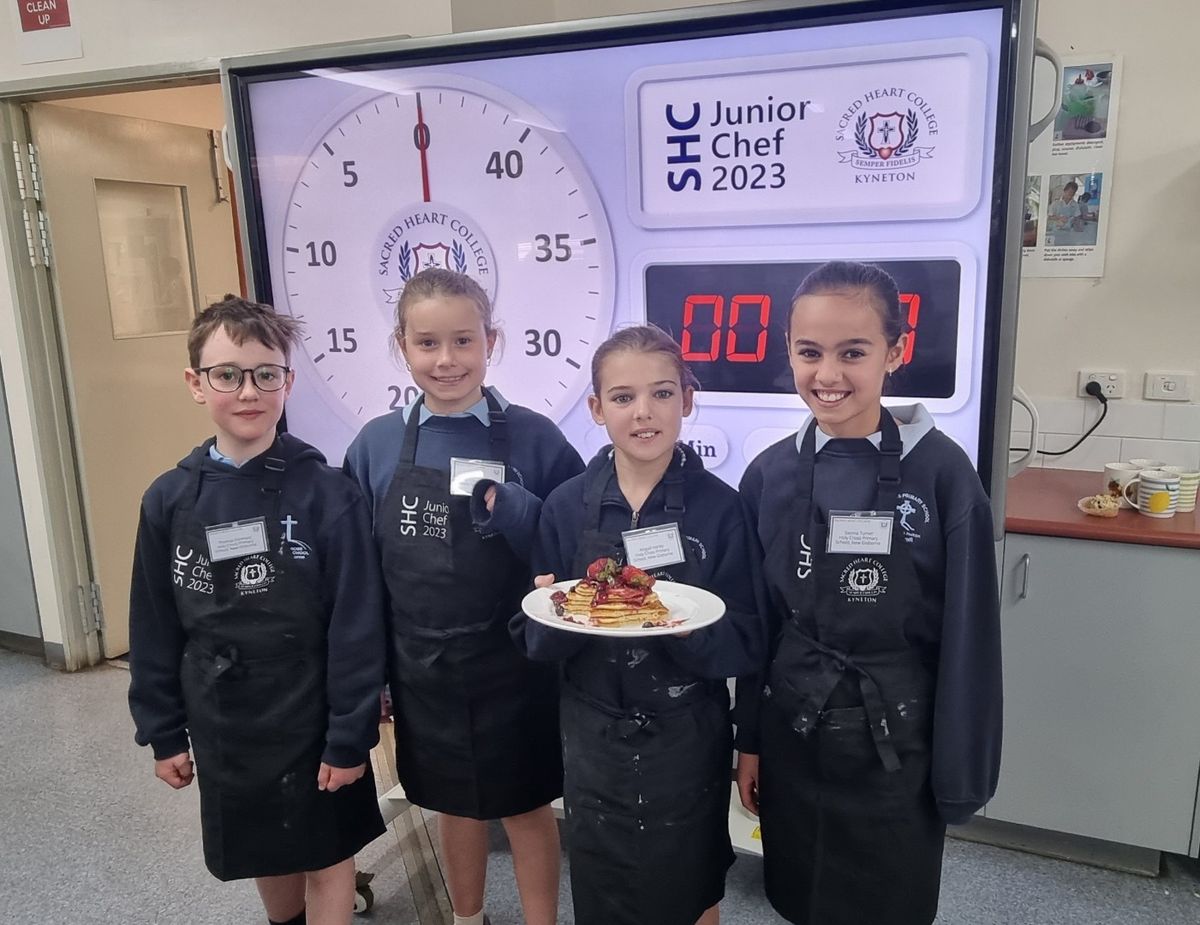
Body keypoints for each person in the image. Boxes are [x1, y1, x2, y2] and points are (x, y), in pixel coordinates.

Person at [735, 261, 1002, 925]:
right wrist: (750, 742)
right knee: (802, 898)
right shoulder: (767, 475)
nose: (828, 374)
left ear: (896, 351)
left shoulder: (944, 475)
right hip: (795, 732)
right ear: (787, 350)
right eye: (809, 352)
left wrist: (961, 771)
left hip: (898, 745)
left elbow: (970, 639)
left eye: (852, 352)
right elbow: (760, 626)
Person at [128, 295, 387, 925]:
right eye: (227, 375)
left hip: (312, 709)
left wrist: (350, 735)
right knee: (264, 847)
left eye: (265, 374)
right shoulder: (169, 499)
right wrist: (163, 730)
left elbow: (357, 626)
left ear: (287, 382)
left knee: (326, 855)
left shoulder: (329, 494)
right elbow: (154, 625)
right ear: (196, 383)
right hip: (224, 716)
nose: (249, 391)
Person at [344, 268, 582, 925]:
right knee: (453, 804)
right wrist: (372, 677)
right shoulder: (375, 445)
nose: (446, 359)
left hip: (517, 667)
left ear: (491, 341)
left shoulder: (537, 438)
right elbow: (360, 575)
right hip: (424, 670)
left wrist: (524, 515)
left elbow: (574, 544)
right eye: (427, 343)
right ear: (401, 345)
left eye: (463, 341)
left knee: (527, 806)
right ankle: (466, 918)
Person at [513, 325, 766, 925]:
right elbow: (534, 638)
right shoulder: (565, 507)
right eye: (623, 397)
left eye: (662, 393)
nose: (643, 412)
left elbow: (750, 638)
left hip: (688, 735)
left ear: (688, 400)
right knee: (604, 888)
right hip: (593, 734)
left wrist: (690, 630)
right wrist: (556, 611)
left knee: (692, 887)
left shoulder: (723, 509)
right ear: (597, 408)